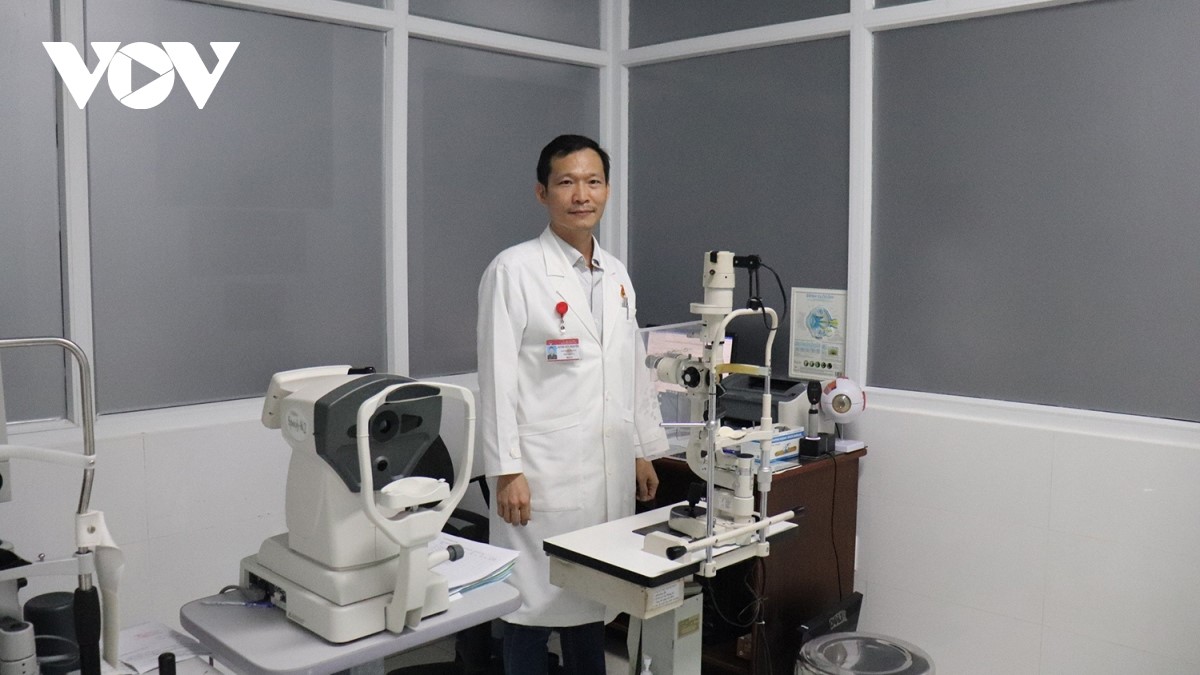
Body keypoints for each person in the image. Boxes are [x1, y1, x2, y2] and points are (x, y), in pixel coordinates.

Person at [477, 134, 669, 675]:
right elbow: (496, 378)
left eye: (593, 182)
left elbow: (630, 368)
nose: (581, 195)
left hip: (606, 466)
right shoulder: (514, 270)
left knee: (593, 593)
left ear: (607, 189)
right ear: (543, 193)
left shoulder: (616, 275)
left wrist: (641, 449)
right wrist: (506, 470)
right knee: (531, 607)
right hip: (541, 472)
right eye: (566, 182)